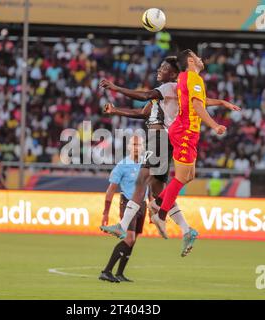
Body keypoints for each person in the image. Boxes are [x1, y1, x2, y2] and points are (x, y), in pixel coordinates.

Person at [99, 55, 239, 256]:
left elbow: (145, 96)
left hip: (161, 138)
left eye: (163, 68)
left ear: (173, 73)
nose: (159, 70)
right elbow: (143, 112)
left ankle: (123, 224)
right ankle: (186, 229)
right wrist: (116, 110)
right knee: (159, 190)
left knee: (142, 180)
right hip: (168, 139)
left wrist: (116, 88)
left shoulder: (167, 88)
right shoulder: (169, 92)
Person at [150, 49, 226, 242]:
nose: (201, 59)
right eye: (198, 57)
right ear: (191, 60)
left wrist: (222, 103)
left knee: (189, 176)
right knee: (182, 176)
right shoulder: (194, 79)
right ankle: (160, 215)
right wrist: (215, 125)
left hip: (185, 130)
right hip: (185, 131)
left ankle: (157, 203)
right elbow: (198, 106)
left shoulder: (185, 78)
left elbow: (200, 101)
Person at [99, 135, 146, 282]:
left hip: (142, 204)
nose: (136, 147)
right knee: (129, 238)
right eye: (134, 145)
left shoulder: (147, 164)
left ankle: (119, 273)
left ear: (143, 147)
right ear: (129, 147)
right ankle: (106, 271)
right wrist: (105, 213)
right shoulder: (122, 165)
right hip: (127, 203)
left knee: (133, 239)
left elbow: (148, 186)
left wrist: (151, 207)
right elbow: (110, 189)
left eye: (139, 145)